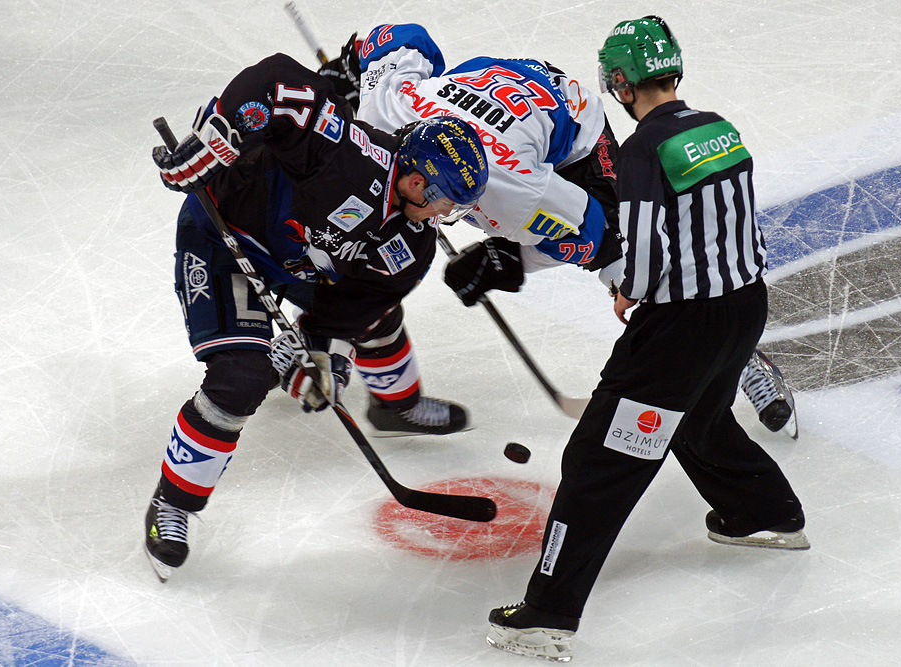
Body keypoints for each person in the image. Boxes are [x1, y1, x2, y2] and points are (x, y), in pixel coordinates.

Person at [484, 17, 809, 662]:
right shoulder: (719, 129)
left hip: (680, 331)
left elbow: (639, 253)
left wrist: (626, 288)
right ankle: (764, 513)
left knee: (599, 462)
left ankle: (547, 615)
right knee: (700, 417)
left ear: (621, 82)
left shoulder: (640, 151)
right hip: (745, 307)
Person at [318, 23, 798, 435]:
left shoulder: (516, 193)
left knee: (626, 262)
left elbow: (590, 233)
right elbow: (404, 38)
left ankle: (744, 360)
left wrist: (510, 259)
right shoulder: (387, 109)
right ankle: (346, 358)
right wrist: (349, 67)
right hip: (492, 96)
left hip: (568, 126)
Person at [145, 52, 488, 582]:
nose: (445, 215)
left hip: (297, 264)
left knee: (378, 319)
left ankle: (396, 406)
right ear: (417, 179)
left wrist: (322, 357)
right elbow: (276, 81)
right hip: (224, 238)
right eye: (445, 200)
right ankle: (173, 503)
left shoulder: (412, 245)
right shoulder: (349, 156)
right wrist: (221, 136)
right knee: (242, 377)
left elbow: (351, 309)